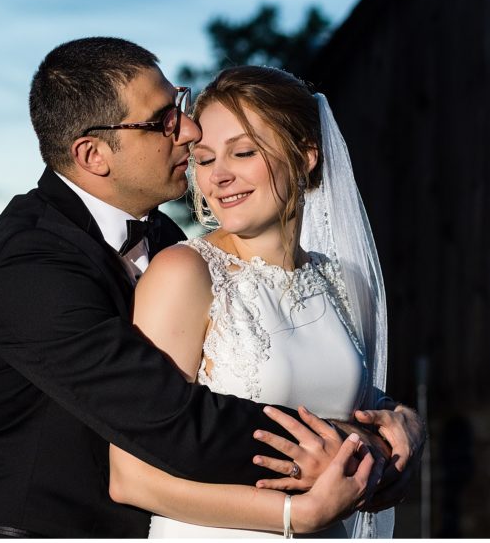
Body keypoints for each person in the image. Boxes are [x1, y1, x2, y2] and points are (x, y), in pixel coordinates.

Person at [0, 38, 413, 538]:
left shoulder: (162, 236)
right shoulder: (28, 265)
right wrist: (354, 446)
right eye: (162, 120)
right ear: (93, 155)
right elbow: (173, 417)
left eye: (178, 104)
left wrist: (398, 418)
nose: (188, 129)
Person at [109, 65, 424, 537]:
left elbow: (358, 408)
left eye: (243, 152)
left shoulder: (341, 281)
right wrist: (292, 514)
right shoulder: (184, 273)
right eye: (204, 159)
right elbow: (132, 477)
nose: (219, 176)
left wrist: (406, 422)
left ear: (306, 155)